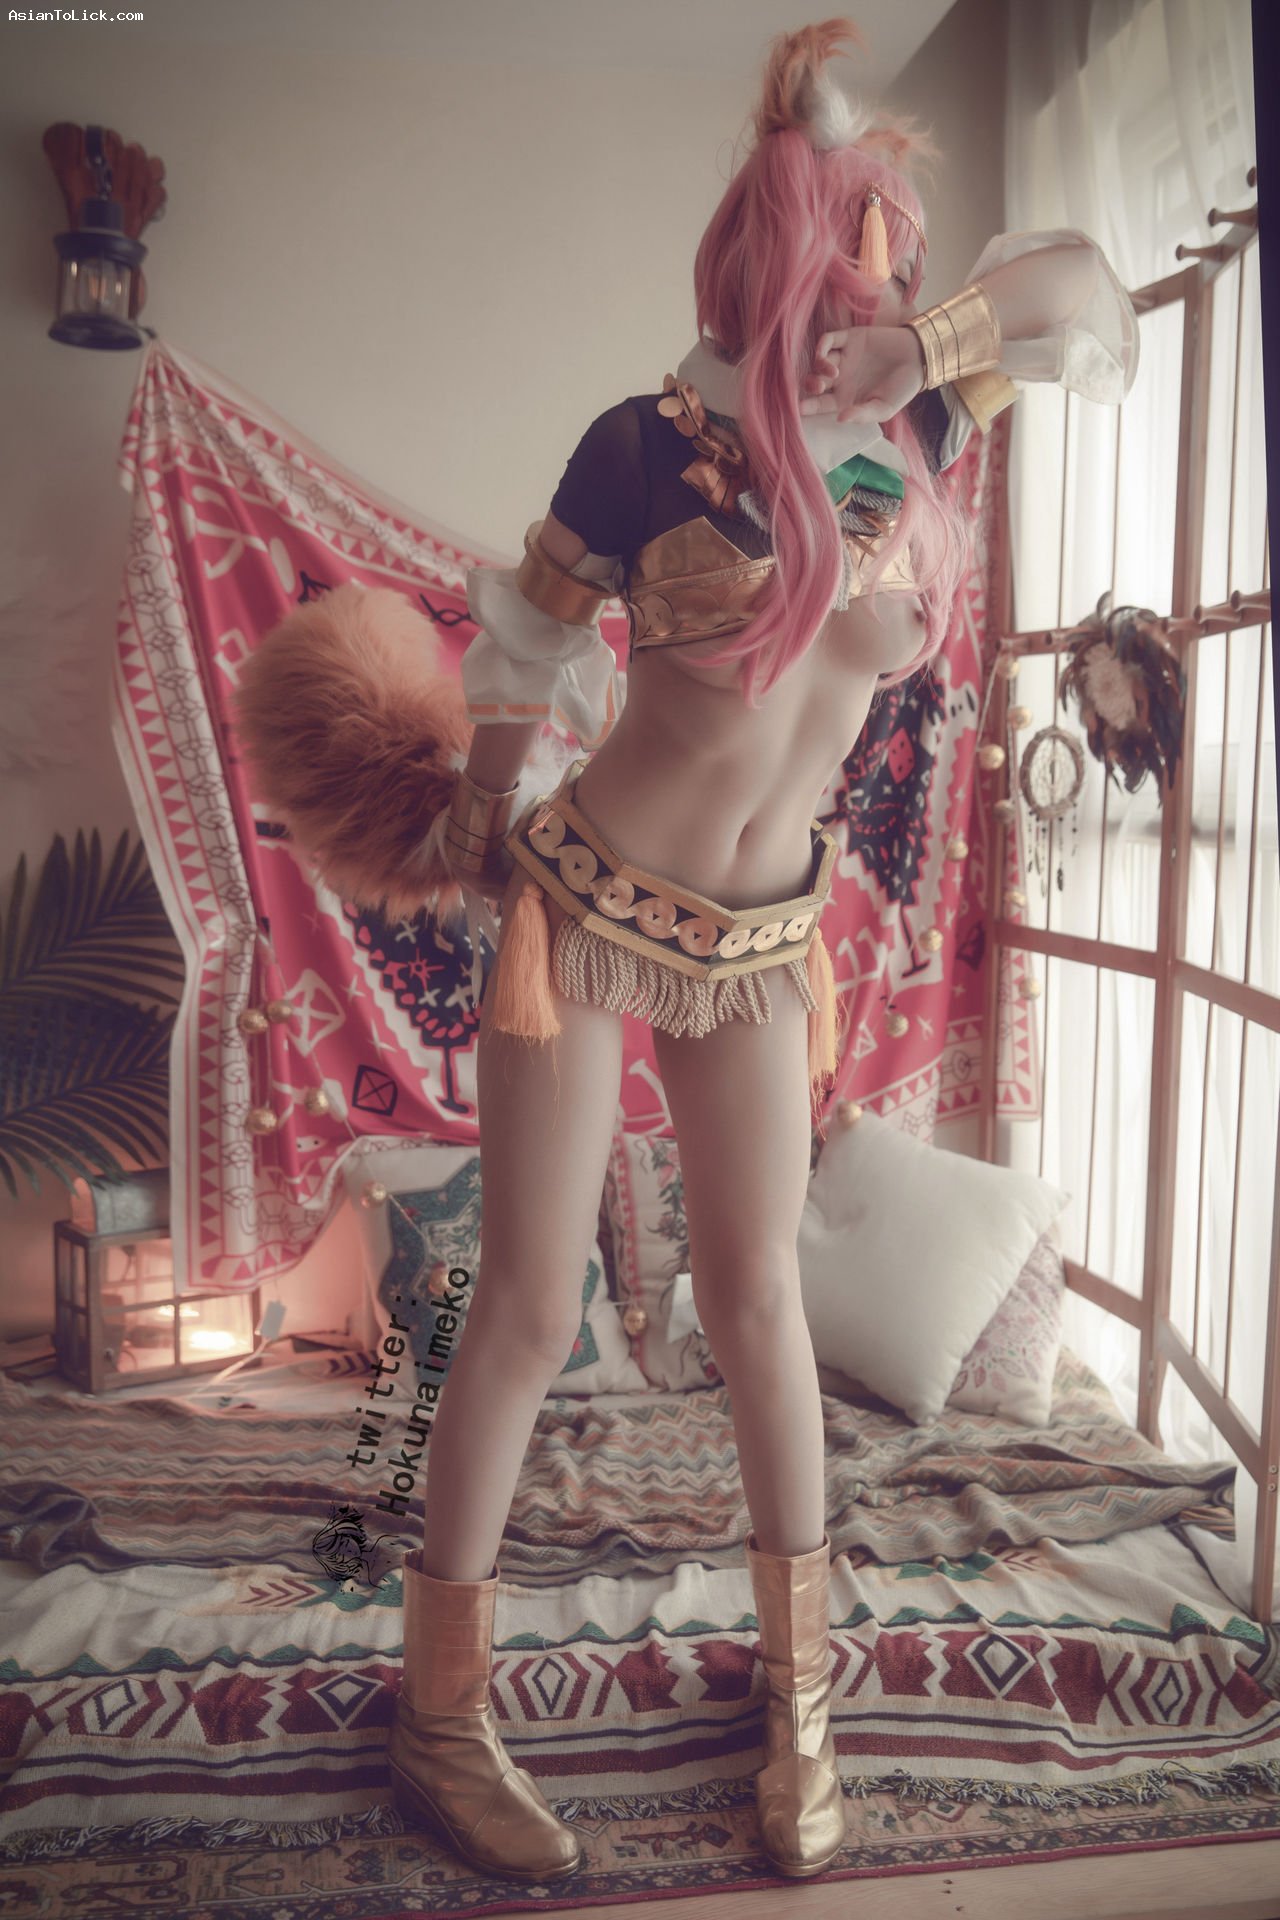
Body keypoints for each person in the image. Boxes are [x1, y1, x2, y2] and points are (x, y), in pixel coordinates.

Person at [236, 16, 1139, 1886]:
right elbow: (523, 647)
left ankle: (803, 1708)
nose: (880, 278)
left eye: (895, 253)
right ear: (785, 253)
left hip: (761, 940)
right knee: (527, 1306)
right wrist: (481, 810)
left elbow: (1084, 288)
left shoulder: (919, 423)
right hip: (586, 912)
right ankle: (436, 1720)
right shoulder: (644, 445)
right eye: (862, 246)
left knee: (757, 1303)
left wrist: (929, 348)